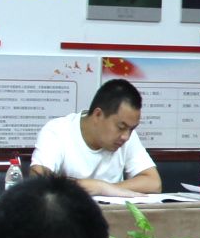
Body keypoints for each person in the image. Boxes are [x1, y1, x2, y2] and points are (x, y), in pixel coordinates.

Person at [31, 79, 163, 195]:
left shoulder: (126, 135)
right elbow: (37, 180)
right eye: (120, 127)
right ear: (98, 115)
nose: (126, 137)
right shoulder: (57, 131)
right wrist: (89, 187)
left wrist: (103, 188)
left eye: (132, 129)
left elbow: (154, 183)